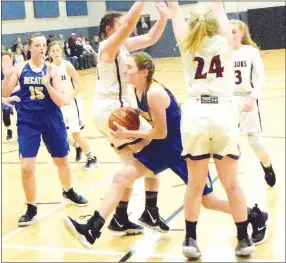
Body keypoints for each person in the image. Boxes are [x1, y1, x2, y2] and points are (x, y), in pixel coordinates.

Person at [64, 52, 268, 249]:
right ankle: (93, 229)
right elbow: (154, 126)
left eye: (129, 68)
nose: (125, 72)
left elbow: (160, 132)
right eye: (124, 68)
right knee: (120, 177)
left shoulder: (154, 93)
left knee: (208, 201)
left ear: (143, 72)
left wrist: (129, 132)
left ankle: (254, 216)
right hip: (162, 148)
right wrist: (132, 119)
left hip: (182, 148)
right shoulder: (137, 90)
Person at [65, 1, 170, 238]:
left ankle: (120, 218)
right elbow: (131, 23)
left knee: (131, 166)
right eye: (121, 25)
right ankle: (150, 211)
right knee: (154, 151)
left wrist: (164, 15)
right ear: (111, 29)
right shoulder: (107, 46)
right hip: (115, 109)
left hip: (112, 109)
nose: (127, 28)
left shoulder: (122, 46)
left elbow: (151, 37)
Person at [168, 1, 255, 258]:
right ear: (216, 25)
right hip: (222, 113)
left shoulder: (186, 44)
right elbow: (218, 6)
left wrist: (173, 9)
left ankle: (190, 240)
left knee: (195, 186)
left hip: (195, 114)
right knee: (232, 184)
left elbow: (175, 11)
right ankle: (243, 238)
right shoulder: (225, 41)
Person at [2, 33, 88, 227]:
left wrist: (47, 83)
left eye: (44, 45)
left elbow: (60, 101)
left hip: (51, 119)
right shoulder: (21, 68)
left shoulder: (52, 70)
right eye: (38, 45)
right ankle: (31, 207)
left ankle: (68, 190)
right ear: (30, 48)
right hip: (28, 121)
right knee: (26, 168)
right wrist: (7, 78)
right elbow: (5, 94)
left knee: (62, 162)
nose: (42, 48)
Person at [230, 19, 276, 187]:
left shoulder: (250, 52)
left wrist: (252, 97)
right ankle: (233, 179)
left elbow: (260, 77)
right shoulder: (222, 52)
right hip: (229, 101)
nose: (230, 35)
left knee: (255, 143)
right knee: (230, 143)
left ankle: (267, 166)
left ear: (242, 33)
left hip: (247, 98)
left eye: (233, 31)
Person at [49, 40, 98, 168]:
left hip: (72, 103)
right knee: (61, 134)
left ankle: (91, 158)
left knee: (76, 133)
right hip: (60, 105)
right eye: (53, 50)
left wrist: (70, 97)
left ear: (61, 51)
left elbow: (79, 84)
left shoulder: (67, 65)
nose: (56, 52)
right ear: (49, 53)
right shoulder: (49, 68)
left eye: (57, 50)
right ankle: (77, 147)